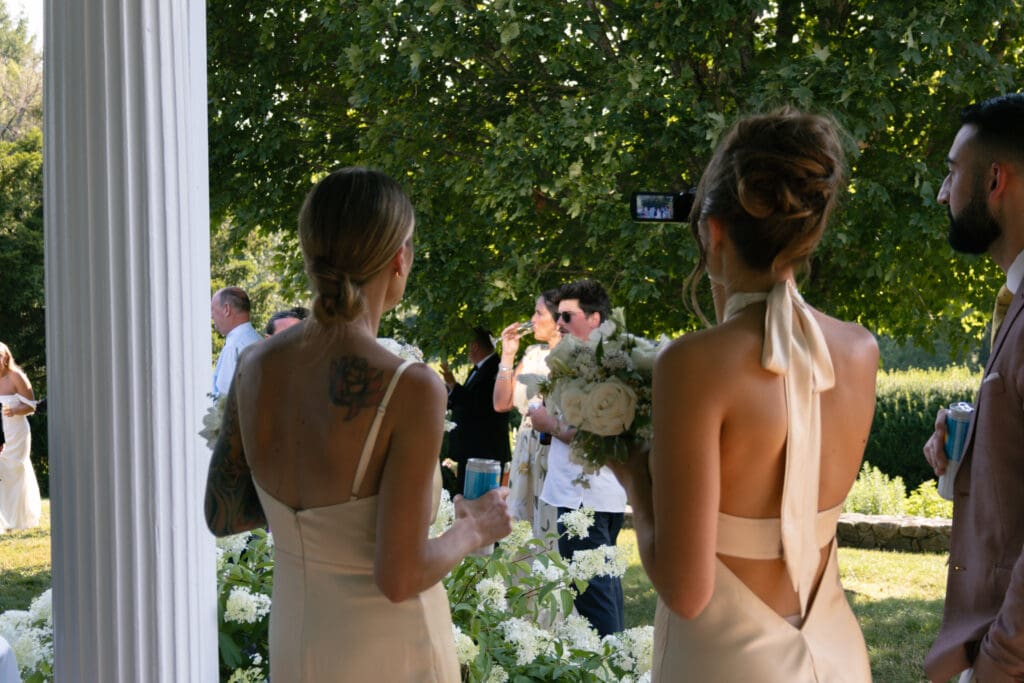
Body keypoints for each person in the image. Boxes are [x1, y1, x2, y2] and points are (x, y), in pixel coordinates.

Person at [204, 167, 512, 682]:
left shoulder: (254, 365)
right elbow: (400, 576)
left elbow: (224, 514)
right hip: (391, 649)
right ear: (399, 258)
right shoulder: (409, 387)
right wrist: (475, 527)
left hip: (299, 641)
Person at [609, 109, 878, 681]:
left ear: (714, 231)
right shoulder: (860, 352)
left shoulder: (695, 364)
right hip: (837, 654)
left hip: (727, 661)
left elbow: (686, 591)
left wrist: (633, 476)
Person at [922, 93, 1024, 683]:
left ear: (994, 179)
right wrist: (969, 453)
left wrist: (992, 668)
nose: (942, 194)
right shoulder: (1013, 301)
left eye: (951, 172)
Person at [529, 279, 629, 637]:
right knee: (601, 591)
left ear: (594, 318)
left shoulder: (599, 363)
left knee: (594, 601)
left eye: (568, 316)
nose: (559, 323)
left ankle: (610, 670)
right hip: (591, 495)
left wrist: (547, 423)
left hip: (584, 498)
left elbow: (594, 433)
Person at [493, 289, 562, 543]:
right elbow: (501, 403)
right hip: (525, 449)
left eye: (539, 312)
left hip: (553, 447)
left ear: (558, 320)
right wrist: (508, 354)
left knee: (550, 527)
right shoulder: (533, 354)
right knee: (521, 530)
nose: (532, 319)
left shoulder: (573, 359)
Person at [440, 326, 511, 495]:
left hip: (485, 450)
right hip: (473, 449)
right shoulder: (480, 368)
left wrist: (453, 385)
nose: (466, 352)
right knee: (465, 495)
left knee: (480, 500)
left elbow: (481, 405)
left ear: (475, 346)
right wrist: (448, 392)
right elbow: (467, 399)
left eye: (468, 346)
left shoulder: (496, 368)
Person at [0, 342, 42, 534]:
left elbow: (33, 406)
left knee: (15, 470)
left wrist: (16, 410)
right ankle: (4, 518)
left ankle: (18, 518)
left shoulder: (16, 377)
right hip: (1, 431)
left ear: (5, 357)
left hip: (16, 431)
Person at [210, 286, 263, 398]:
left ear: (226, 309)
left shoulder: (234, 347)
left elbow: (224, 399)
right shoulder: (259, 340)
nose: (211, 316)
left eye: (212, 310)